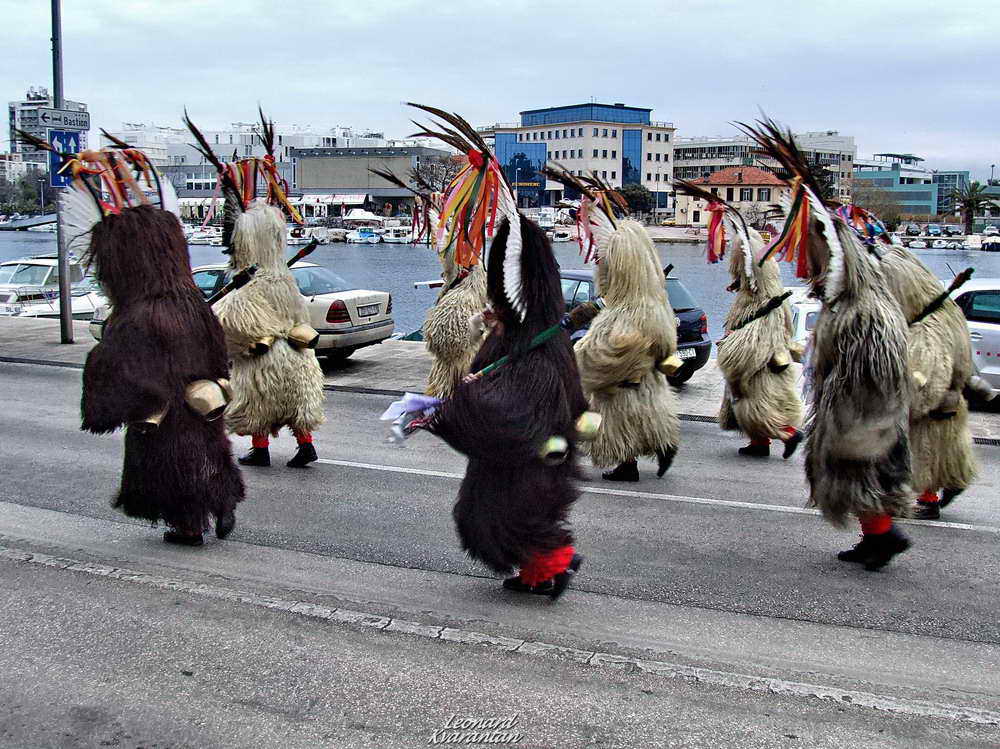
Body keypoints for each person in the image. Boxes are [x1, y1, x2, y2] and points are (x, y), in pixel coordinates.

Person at [411, 104, 588, 599]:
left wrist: (452, 409)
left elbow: (507, 413)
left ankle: (551, 570)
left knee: (520, 514)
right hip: (531, 458)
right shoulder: (531, 336)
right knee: (507, 513)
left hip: (529, 460)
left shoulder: (537, 353)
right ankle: (542, 568)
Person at [741, 118, 913, 570]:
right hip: (859, 415)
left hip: (863, 417)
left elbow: (871, 369)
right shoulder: (854, 304)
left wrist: (850, 416)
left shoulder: (863, 312)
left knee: (862, 475)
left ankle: (882, 538)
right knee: (863, 480)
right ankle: (876, 537)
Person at [66, 143, 245, 546]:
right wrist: (219, 382)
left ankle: (188, 526)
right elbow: (218, 348)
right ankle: (223, 501)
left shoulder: (136, 316)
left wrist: (103, 398)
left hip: (161, 410)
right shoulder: (193, 303)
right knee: (212, 448)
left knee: (170, 463)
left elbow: (118, 367)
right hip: (204, 398)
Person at [186, 111, 325, 468]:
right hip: (296, 354)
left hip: (264, 357)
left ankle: (261, 449)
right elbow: (297, 315)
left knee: (257, 401)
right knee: (296, 400)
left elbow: (234, 324)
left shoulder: (250, 284)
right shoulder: (282, 278)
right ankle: (304, 443)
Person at [559, 172, 679, 482]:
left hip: (619, 388)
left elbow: (604, 351)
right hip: (645, 383)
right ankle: (660, 447)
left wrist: (579, 356)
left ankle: (623, 465)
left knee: (608, 419)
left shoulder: (628, 314)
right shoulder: (654, 304)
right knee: (644, 414)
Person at [676, 185, 803, 458]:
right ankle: (760, 443)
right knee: (765, 395)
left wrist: (732, 344)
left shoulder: (760, 301)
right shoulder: (772, 293)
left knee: (757, 397)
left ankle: (787, 433)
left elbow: (751, 341)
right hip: (772, 357)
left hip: (760, 358)